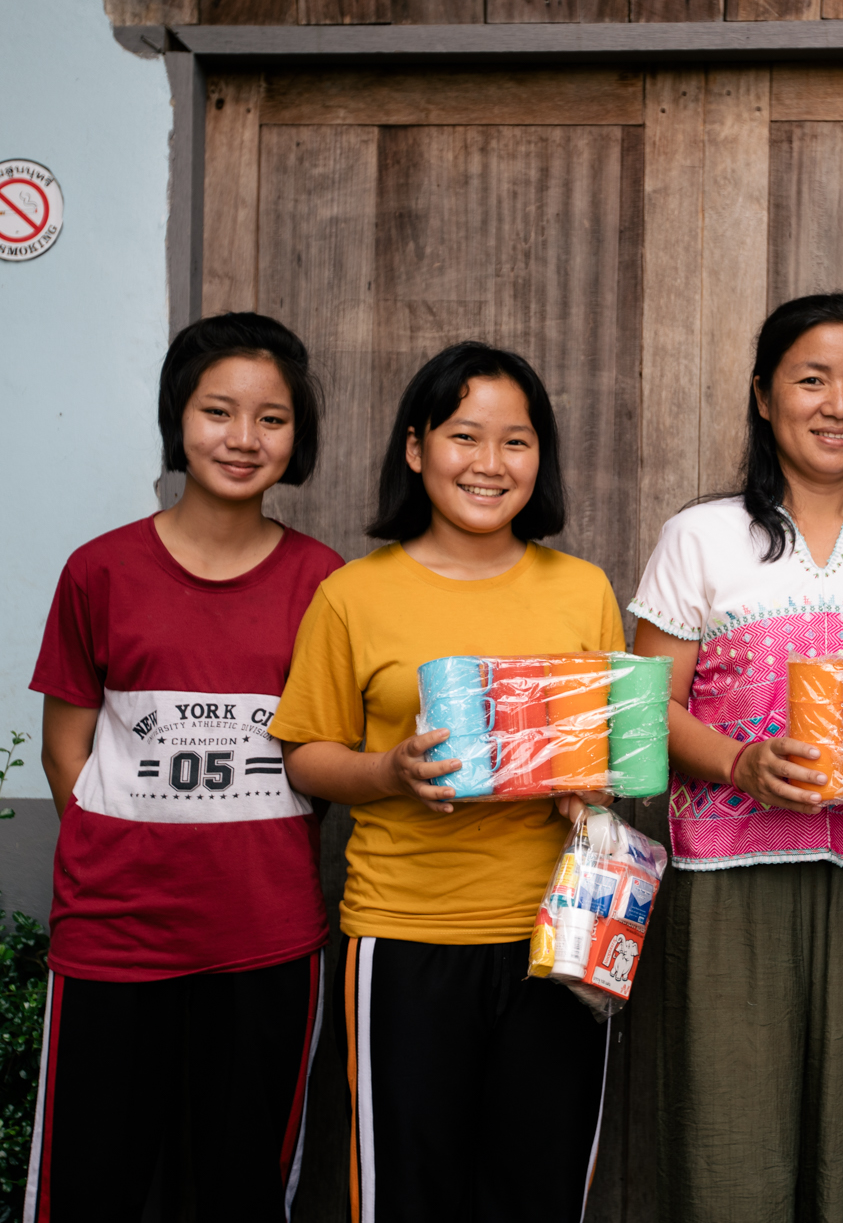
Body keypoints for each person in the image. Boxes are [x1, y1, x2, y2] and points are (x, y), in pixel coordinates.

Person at [628, 292, 843, 1223]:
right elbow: (644, 713)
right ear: (763, 395)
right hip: (732, 878)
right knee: (729, 1140)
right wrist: (740, 764)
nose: (839, 404)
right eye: (811, 379)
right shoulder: (701, 536)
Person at [270, 342, 622, 1223]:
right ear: (417, 447)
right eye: (466, 436)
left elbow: (609, 750)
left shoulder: (582, 589)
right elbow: (306, 755)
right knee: (406, 1193)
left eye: (517, 440)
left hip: (560, 942)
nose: (491, 463)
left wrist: (589, 786)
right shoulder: (354, 594)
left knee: (538, 1193)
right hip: (403, 936)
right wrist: (388, 770)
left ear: (540, 459)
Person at [24, 313, 344, 1221]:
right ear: (178, 419)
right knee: (94, 1186)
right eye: (217, 411)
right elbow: (66, 748)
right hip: (114, 940)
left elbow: (328, 753)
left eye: (271, 418)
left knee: (241, 1191)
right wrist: (125, 854)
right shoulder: (101, 571)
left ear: (298, 434)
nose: (243, 439)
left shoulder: (325, 582)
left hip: (267, 938)